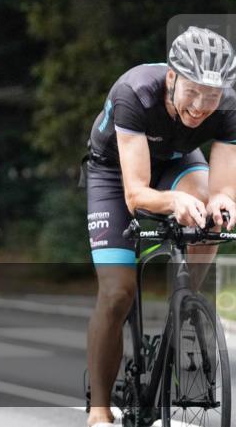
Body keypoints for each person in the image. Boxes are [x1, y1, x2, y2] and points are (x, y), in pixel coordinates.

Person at [83, 26, 236, 427]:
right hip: (115, 174)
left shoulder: (229, 106)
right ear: (172, 78)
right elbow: (136, 195)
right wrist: (172, 201)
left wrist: (222, 203)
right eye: (193, 91)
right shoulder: (135, 93)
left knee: (208, 215)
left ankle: (187, 303)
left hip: (177, 161)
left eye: (212, 96)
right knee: (117, 292)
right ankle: (99, 409)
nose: (202, 106)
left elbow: (223, 188)